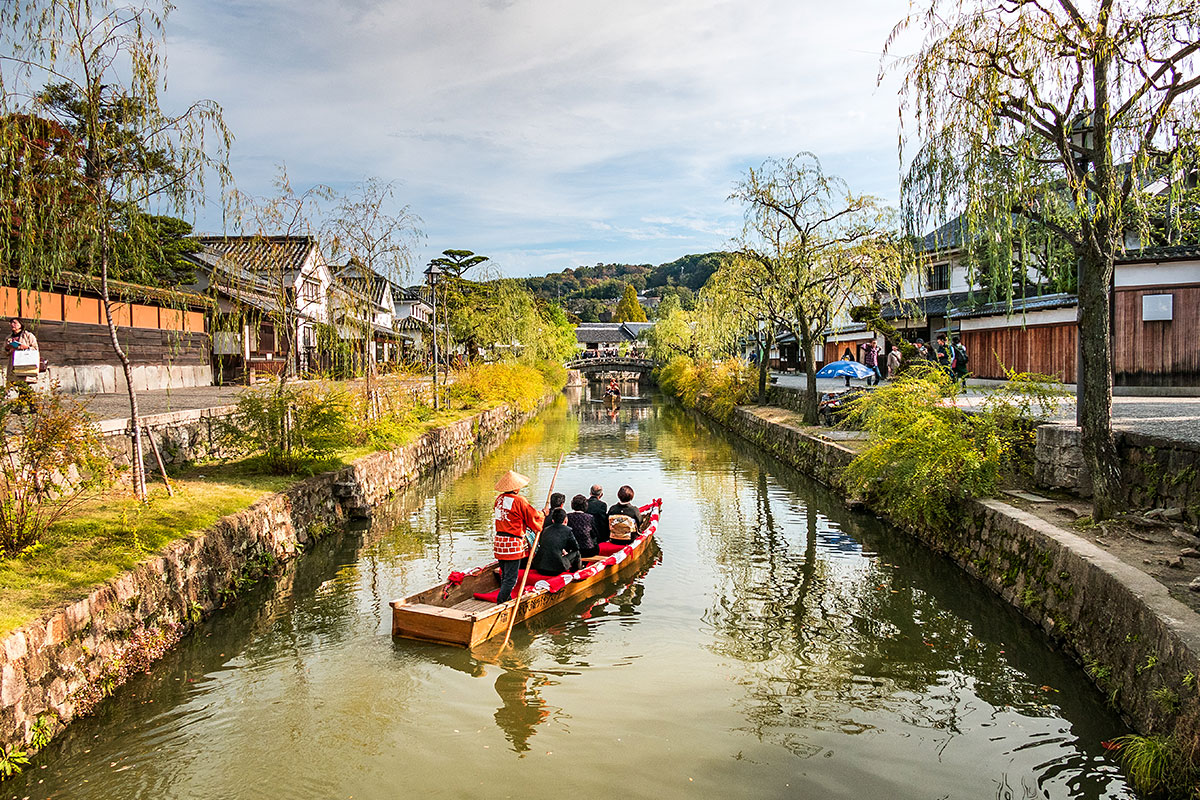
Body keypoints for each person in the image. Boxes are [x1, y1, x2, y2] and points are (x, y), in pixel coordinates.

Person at [492, 470, 544, 603]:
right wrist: (543, 514)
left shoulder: (499, 500)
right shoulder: (519, 501)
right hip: (512, 543)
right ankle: (501, 601)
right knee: (511, 578)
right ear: (515, 487)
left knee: (505, 574)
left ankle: (507, 598)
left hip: (499, 541)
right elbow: (533, 517)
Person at [530, 507, 581, 576]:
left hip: (539, 566)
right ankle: (575, 573)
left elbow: (546, 544)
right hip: (556, 569)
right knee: (577, 553)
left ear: (553, 520)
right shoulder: (567, 530)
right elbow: (576, 547)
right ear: (565, 520)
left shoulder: (545, 530)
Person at [5, 318, 38, 412]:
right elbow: (4, 352)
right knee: (21, 385)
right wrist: (8, 349)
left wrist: (26, 347)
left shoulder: (28, 335)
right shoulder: (9, 337)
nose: (12, 324)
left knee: (23, 384)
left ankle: (26, 406)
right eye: (11, 323)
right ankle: (31, 406)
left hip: (25, 363)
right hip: (14, 364)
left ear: (20, 324)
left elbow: (35, 348)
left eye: (15, 322)